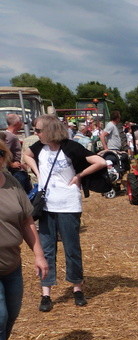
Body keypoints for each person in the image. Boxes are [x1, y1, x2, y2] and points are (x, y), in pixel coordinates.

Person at [22, 114, 106, 311]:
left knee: (72, 248)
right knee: (46, 249)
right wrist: (38, 172)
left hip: (68, 205)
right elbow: (26, 155)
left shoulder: (71, 147)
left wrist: (79, 175)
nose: (36, 134)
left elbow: (100, 162)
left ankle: (77, 288)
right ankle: (46, 293)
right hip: (46, 206)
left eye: (39, 130)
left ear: (50, 130)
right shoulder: (38, 147)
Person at [0, 138, 48, 340]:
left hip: (12, 264)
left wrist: (39, 254)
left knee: (11, 315)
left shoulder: (12, 182)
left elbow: (27, 220)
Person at [2, 114, 32, 193]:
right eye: (21, 121)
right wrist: (11, 164)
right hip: (15, 171)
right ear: (17, 123)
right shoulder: (11, 137)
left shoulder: (8, 135)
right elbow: (3, 152)